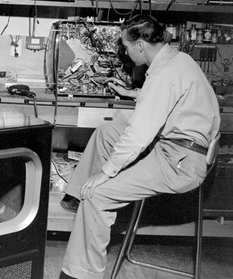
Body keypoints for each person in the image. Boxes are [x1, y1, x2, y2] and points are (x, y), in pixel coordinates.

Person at [59, 15, 220, 279]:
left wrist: (107, 172)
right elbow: (170, 96)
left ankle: (80, 273)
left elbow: (139, 135)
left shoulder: (163, 77)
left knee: (98, 196)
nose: (125, 51)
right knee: (106, 132)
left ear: (141, 44)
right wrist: (134, 94)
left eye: (126, 46)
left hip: (179, 162)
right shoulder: (177, 59)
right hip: (181, 149)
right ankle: (76, 197)